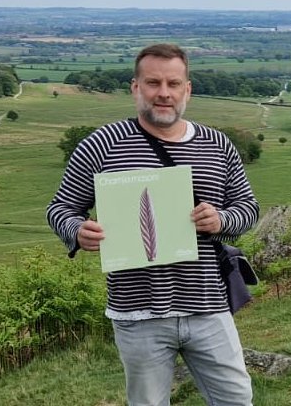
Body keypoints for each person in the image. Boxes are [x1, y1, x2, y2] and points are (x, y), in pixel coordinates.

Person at [47, 43, 259, 406]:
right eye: (153, 83)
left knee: (237, 400)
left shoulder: (217, 145)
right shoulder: (101, 145)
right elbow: (61, 208)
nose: (164, 93)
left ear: (187, 90)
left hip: (208, 306)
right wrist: (77, 232)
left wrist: (221, 219)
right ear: (136, 87)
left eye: (174, 84)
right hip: (137, 312)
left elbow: (248, 209)